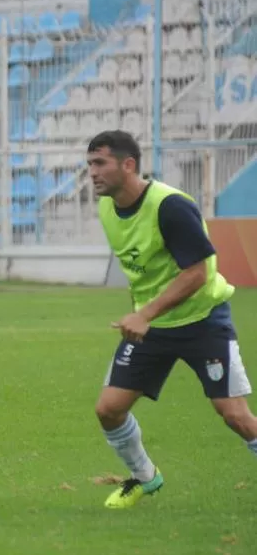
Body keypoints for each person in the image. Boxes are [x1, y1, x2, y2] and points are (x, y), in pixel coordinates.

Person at [87, 130, 257, 509]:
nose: (92, 173)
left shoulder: (171, 206)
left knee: (235, 415)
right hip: (154, 329)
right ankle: (146, 477)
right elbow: (144, 270)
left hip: (203, 321)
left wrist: (144, 313)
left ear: (127, 165)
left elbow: (197, 273)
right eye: (89, 165)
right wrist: (144, 314)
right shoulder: (106, 207)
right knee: (109, 409)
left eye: (100, 163)